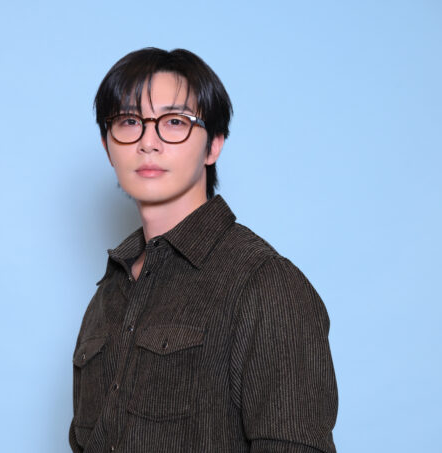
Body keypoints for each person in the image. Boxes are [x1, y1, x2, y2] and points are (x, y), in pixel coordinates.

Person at [70, 47, 338, 453]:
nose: (147, 142)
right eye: (129, 122)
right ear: (108, 146)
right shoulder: (110, 292)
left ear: (213, 145)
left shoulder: (265, 283)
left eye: (174, 122)